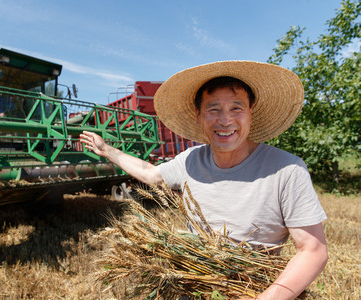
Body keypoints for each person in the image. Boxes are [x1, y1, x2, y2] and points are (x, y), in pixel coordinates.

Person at [80, 61, 328, 300]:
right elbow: (151, 174)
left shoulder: (286, 169)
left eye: (236, 108)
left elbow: (313, 251)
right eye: (213, 109)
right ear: (198, 116)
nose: (225, 120)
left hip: (254, 289)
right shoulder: (190, 160)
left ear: (251, 113)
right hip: (194, 287)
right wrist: (107, 151)